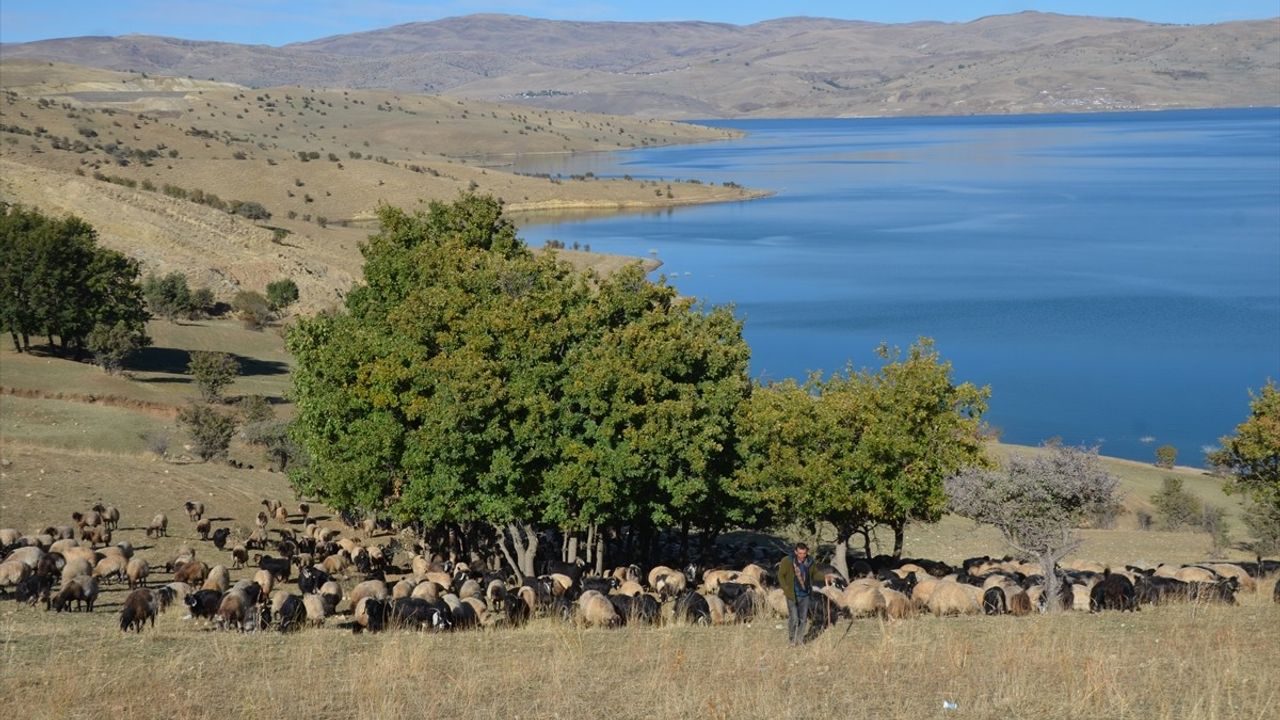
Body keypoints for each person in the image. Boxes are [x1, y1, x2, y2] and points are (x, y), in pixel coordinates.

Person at [777, 542, 814, 645]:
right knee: (794, 619)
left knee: (803, 619)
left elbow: (815, 574)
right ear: (795, 552)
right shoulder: (787, 561)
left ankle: (800, 640)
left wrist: (825, 577)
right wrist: (786, 588)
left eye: (804, 553)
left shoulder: (810, 561)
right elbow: (780, 575)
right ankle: (792, 640)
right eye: (800, 553)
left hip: (805, 594)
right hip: (792, 594)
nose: (802, 556)